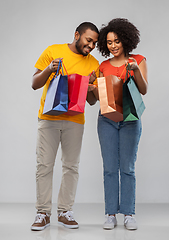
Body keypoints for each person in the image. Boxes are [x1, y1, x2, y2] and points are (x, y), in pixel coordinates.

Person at [31, 22, 99, 231]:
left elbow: (91, 102)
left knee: (71, 166)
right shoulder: (53, 51)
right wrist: (50, 68)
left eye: (95, 43)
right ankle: (43, 213)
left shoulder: (94, 64)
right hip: (48, 119)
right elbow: (35, 83)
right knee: (44, 165)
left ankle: (64, 212)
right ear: (77, 35)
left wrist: (91, 86)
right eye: (89, 40)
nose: (91, 46)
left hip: (75, 121)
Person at [91, 18, 148, 230]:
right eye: (109, 42)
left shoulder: (138, 60)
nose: (113, 46)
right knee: (109, 168)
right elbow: (97, 98)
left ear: (125, 40)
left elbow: (143, 90)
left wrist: (135, 70)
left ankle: (129, 213)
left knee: (128, 168)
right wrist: (92, 87)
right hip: (106, 119)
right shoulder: (102, 66)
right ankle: (110, 213)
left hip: (130, 120)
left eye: (116, 41)